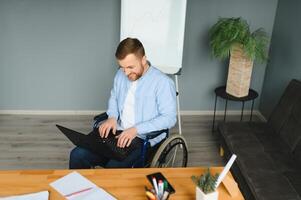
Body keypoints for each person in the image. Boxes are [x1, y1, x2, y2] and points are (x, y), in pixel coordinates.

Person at [69, 38, 177, 168]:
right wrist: (112, 117)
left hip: (141, 138)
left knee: (113, 167)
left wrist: (135, 130)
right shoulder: (120, 75)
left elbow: (169, 118)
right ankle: (81, 188)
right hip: (117, 131)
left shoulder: (162, 83)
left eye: (130, 67)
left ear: (143, 59)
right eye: (122, 67)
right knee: (77, 155)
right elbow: (114, 98)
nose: (126, 73)